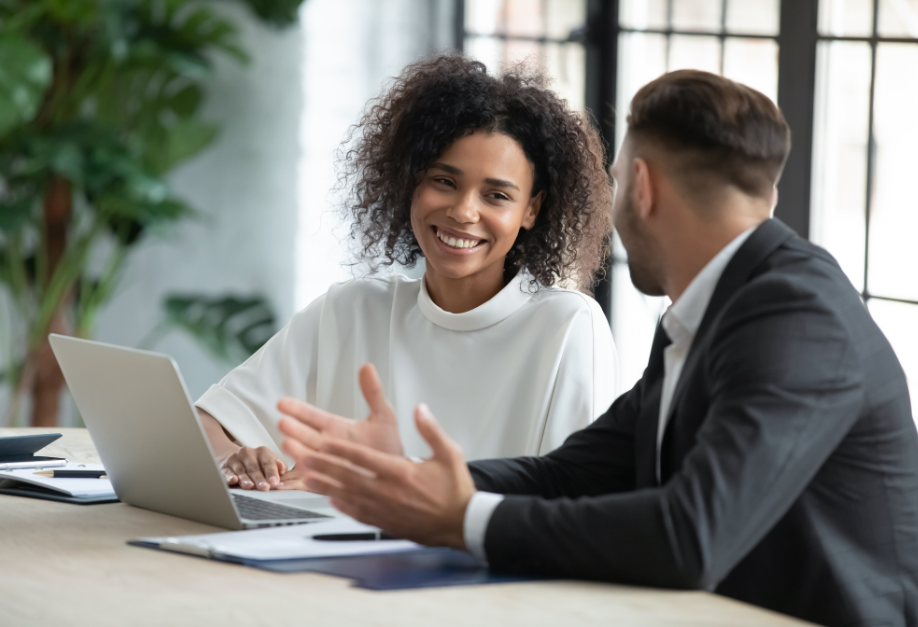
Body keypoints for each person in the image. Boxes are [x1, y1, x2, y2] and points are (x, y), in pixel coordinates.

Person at [277, 70, 918, 627]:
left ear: (641, 187)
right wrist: (411, 484)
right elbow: (571, 474)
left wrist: (464, 518)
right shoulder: (707, 315)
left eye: (612, 183)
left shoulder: (796, 318)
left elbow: (687, 535)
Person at [195, 55, 617, 493]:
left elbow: (577, 502)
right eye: (444, 181)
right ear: (411, 181)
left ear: (532, 209)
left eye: (495, 195)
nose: (463, 211)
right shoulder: (352, 309)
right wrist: (233, 458)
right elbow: (203, 422)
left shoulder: (567, 328)